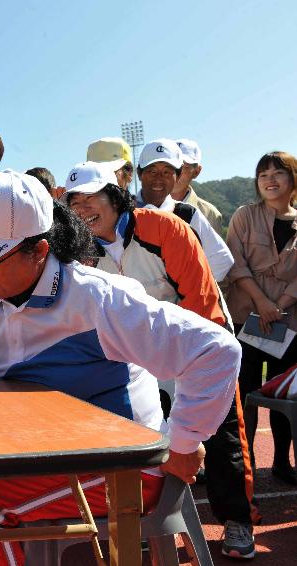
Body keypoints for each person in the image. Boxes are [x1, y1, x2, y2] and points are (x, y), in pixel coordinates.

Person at [0, 169, 241, 566]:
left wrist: (181, 443)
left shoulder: (98, 298)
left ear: (39, 251)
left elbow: (217, 349)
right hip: (53, 455)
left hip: (125, 465)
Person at [65, 161, 258, 559]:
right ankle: (132, 519)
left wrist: (180, 371)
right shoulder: (78, 253)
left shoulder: (164, 226)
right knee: (125, 437)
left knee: (220, 436)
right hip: (134, 355)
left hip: (196, 343)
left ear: (115, 196)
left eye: (91, 197)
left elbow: (202, 301)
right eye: (74, 201)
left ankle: (237, 518)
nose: (82, 208)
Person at [226, 151, 297, 488]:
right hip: (247, 319)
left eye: (278, 173)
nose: (270, 179)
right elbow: (236, 264)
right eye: (263, 174)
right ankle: (246, 465)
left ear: (292, 179)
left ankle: (283, 462)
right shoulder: (244, 216)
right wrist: (262, 303)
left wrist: (279, 305)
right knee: (245, 393)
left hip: (290, 323)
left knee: (285, 396)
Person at [136, 138, 234, 281]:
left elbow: (221, 261)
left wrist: (188, 288)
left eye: (167, 172)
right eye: (151, 171)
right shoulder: (120, 212)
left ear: (178, 175)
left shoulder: (190, 214)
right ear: (139, 173)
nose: (158, 178)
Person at [173, 138, 224, 234]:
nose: (176, 173)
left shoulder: (210, 214)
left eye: (184, 167)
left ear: (196, 171)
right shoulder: (144, 206)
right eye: (172, 166)